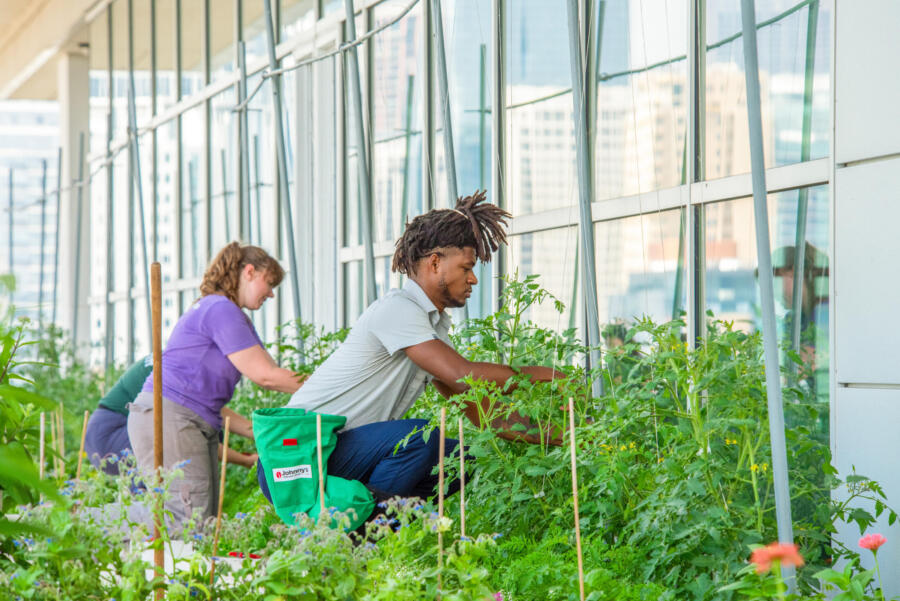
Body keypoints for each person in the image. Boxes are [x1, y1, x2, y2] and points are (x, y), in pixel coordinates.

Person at [258, 191, 560, 505]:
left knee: (459, 461)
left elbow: (488, 417)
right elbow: (464, 373)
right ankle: (370, 529)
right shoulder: (398, 310)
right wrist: (548, 375)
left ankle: (386, 526)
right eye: (466, 268)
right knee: (420, 439)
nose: (473, 279)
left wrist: (562, 435)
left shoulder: (429, 330)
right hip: (295, 454)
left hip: (329, 451)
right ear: (434, 263)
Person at [128, 242, 303, 524]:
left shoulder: (223, 312)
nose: (271, 293)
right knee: (186, 520)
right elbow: (266, 376)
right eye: (269, 283)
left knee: (199, 518)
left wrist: (261, 430)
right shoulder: (220, 310)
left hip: (185, 419)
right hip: (170, 419)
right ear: (249, 272)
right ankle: (87, 524)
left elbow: (263, 374)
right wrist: (325, 385)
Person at [84, 356, 258, 476]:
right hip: (110, 433)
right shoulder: (172, 367)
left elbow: (213, 410)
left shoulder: (178, 359)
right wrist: (245, 460)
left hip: (109, 431)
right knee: (163, 476)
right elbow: (191, 436)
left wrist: (258, 433)